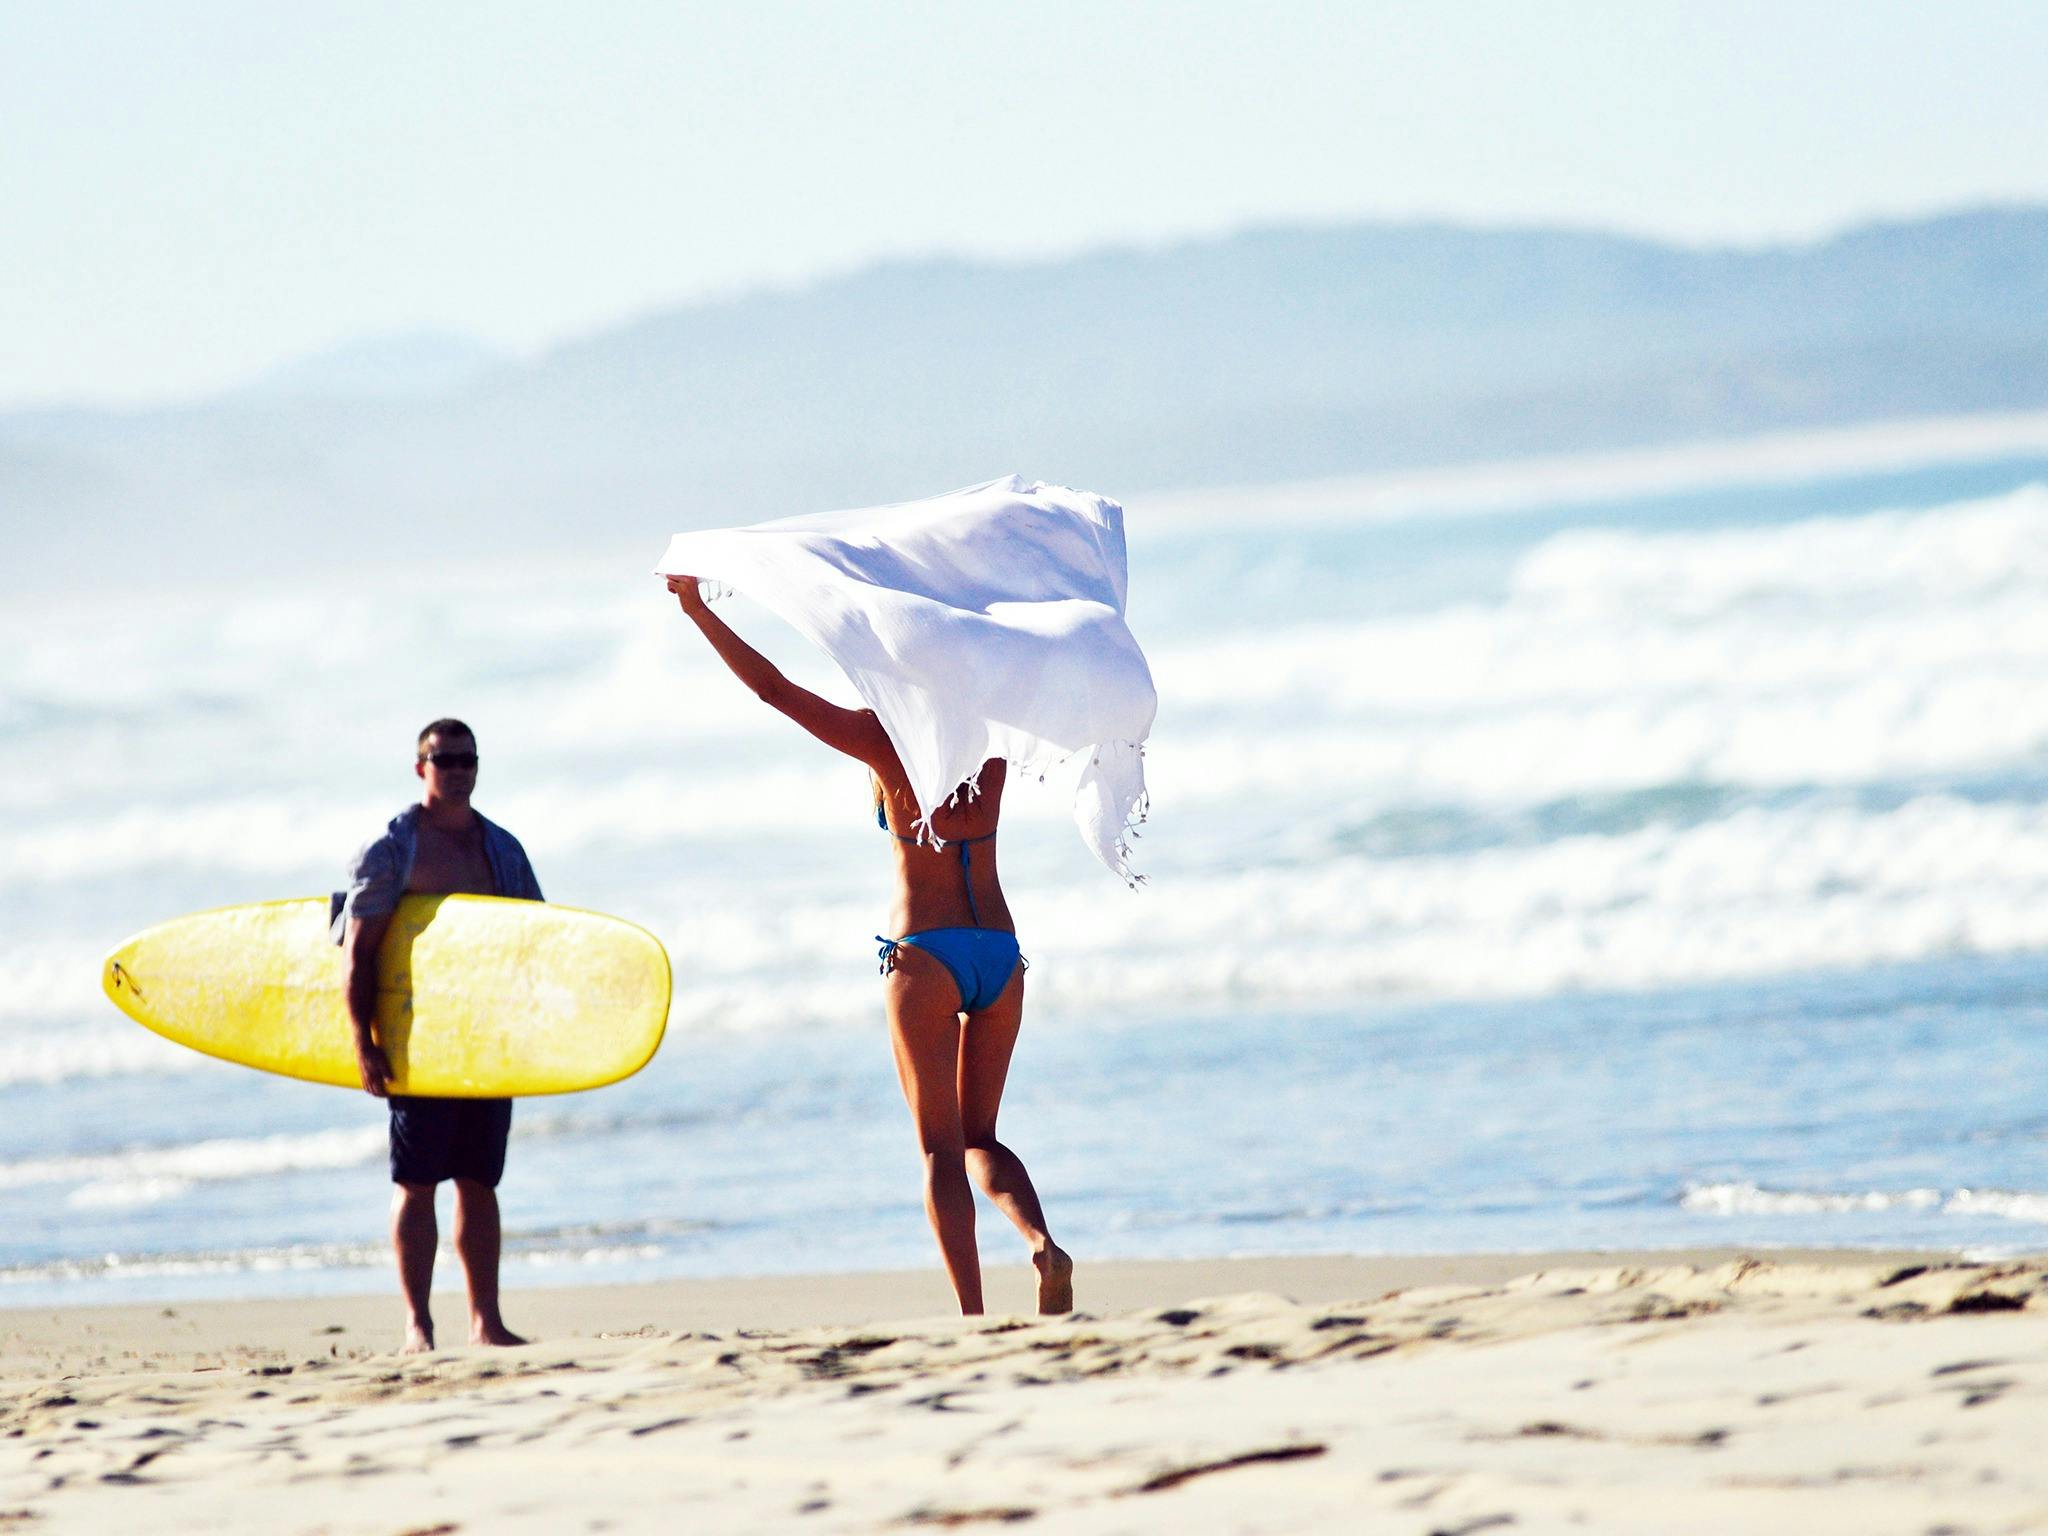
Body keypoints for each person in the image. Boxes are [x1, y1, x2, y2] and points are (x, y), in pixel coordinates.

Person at [668, 575, 1074, 1315]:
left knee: (939, 1152)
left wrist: (698, 611)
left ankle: (974, 1316)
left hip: (927, 956)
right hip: (999, 954)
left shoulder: (883, 740)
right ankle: (1040, 1242)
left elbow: (774, 691)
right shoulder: (993, 743)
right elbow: (1042, 673)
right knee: (984, 1136)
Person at [332, 719, 543, 1352]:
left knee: (481, 1182)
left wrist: (531, 1033)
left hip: (484, 1040)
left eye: (466, 759)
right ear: (419, 767)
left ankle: (486, 1322)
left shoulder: (501, 849)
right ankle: (418, 1324)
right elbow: (358, 957)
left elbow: (534, 945)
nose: (456, 768)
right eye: (443, 758)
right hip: (416, 1038)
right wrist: (364, 1043)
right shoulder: (392, 851)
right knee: (416, 1182)